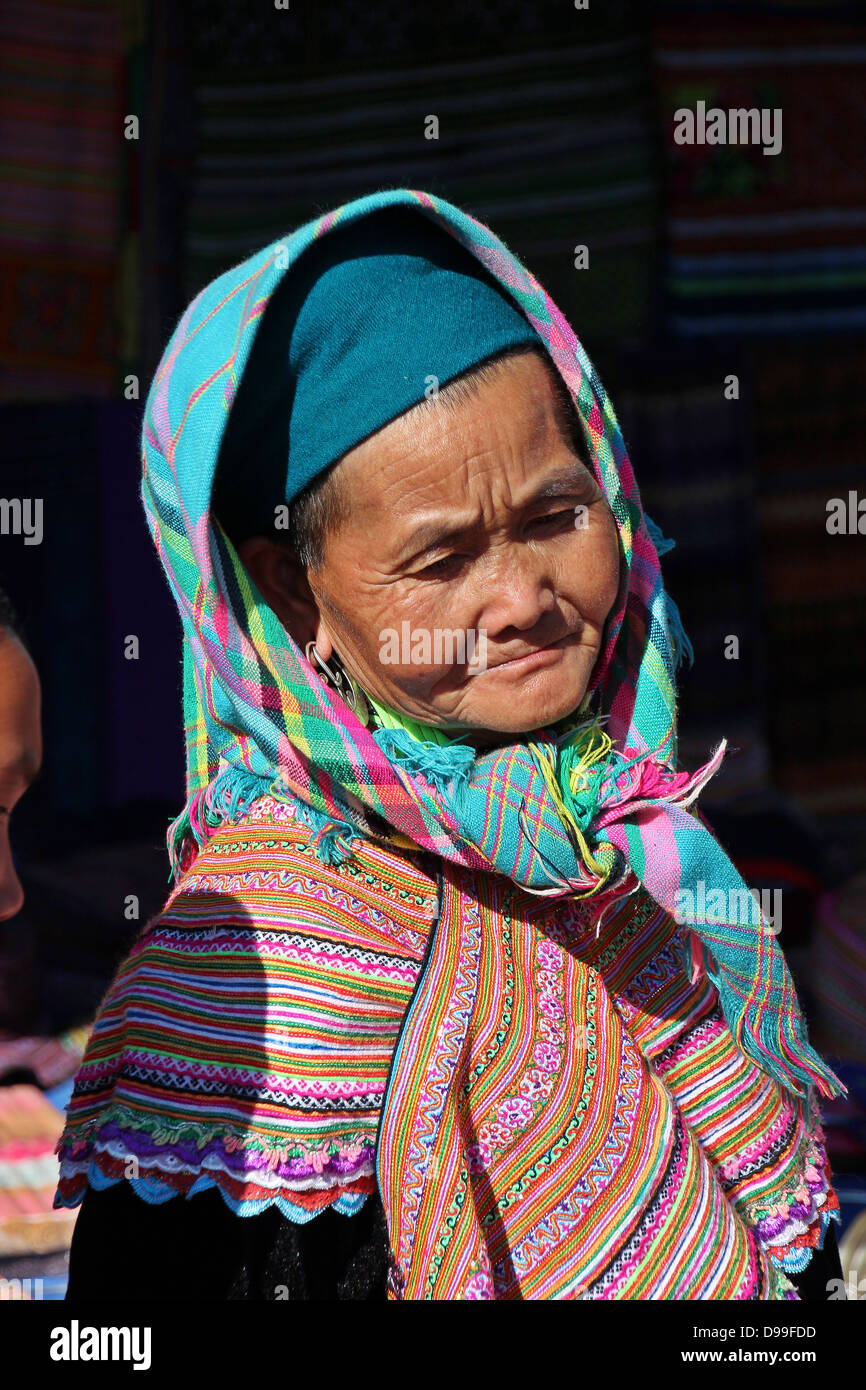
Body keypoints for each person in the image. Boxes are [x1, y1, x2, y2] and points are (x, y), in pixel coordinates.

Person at [57, 190, 846, 1300]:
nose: (521, 598)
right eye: (440, 562)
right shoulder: (248, 977)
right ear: (294, 594)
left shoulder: (630, 852)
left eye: (554, 516)